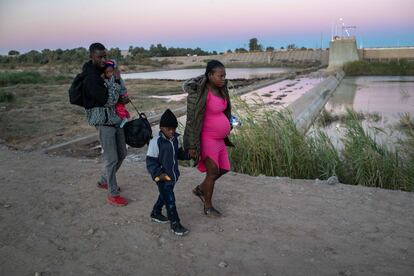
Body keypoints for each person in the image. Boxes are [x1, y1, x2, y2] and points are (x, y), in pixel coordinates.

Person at [183, 60, 234, 217]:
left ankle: (200, 189)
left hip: (219, 139)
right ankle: (208, 206)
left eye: (224, 76)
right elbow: (192, 119)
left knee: (224, 169)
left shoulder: (222, 89)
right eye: (220, 76)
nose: (223, 79)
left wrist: (228, 124)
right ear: (210, 75)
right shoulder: (199, 92)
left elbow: (224, 111)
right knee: (212, 173)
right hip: (207, 138)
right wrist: (191, 145)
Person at [82, 42, 129, 206]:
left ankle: (104, 180)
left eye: (104, 56)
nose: (103, 60)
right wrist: (116, 81)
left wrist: (123, 97)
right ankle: (112, 193)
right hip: (104, 123)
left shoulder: (108, 72)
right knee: (111, 159)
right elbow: (109, 100)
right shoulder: (93, 78)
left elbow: (119, 95)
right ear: (91, 57)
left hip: (117, 121)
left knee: (122, 154)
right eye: (99, 57)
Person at [146, 109, 190, 236]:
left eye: (173, 129)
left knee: (164, 196)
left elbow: (179, 154)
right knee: (170, 200)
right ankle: (175, 223)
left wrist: (188, 155)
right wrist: (159, 175)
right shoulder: (156, 142)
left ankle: (155, 212)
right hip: (162, 177)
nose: (171, 132)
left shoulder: (176, 139)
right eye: (168, 129)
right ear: (161, 128)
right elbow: (150, 162)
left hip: (173, 175)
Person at [103, 60, 130, 128]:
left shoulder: (117, 78)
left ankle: (124, 118)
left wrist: (124, 95)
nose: (110, 74)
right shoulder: (105, 81)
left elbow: (122, 87)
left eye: (111, 71)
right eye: (107, 72)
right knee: (120, 108)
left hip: (121, 96)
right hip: (115, 99)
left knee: (120, 108)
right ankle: (125, 117)